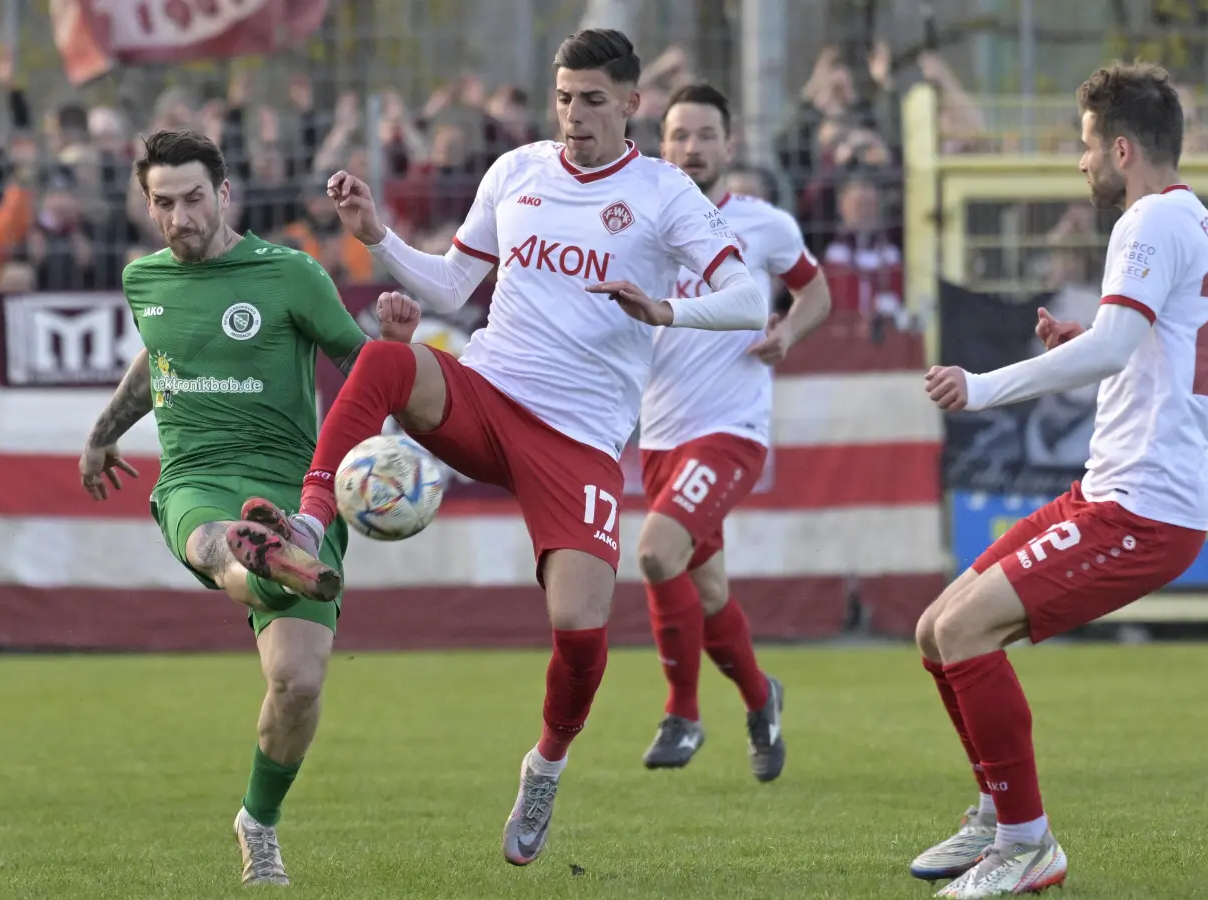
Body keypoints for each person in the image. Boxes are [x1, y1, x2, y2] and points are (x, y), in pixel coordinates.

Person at [240, 29, 766, 866]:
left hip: (580, 440)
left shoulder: (665, 194)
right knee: (382, 361)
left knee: (581, 627)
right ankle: (309, 523)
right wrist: (377, 235)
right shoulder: (517, 170)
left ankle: (546, 765)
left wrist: (668, 312)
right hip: (488, 393)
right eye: (563, 97)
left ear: (632, 104)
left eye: (593, 99)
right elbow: (454, 284)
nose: (574, 115)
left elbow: (749, 298)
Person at [914, 62, 1208, 898]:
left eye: (1086, 145)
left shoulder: (1147, 225)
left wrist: (982, 386)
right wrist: (1081, 338)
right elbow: (1140, 344)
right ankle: (996, 814)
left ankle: (1027, 846)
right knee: (934, 629)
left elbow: (1117, 349)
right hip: (1115, 493)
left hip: (1142, 506)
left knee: (964, 635)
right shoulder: (1198, 222)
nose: (1081, 163)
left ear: (1122, 148)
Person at [77, 130, 420, 887]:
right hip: (196, 479)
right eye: (163, 203)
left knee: (298, 684)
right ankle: (254, 552)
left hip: (300, 487)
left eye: (194, 199)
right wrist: (103, 434)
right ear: (146, 204)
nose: (181, 217)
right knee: (217, 541)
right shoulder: (145, 280)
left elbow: (358, 369)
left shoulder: (290, 275)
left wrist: (393, 349)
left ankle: (256, 821)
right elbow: (159, 358)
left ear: (225, 194)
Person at [635, 82, 832, 779]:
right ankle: (761, 697)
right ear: (662, 146)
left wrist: (790, 334)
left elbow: (817, 291)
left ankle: (682, 714)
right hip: (658, 434)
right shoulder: (637, 223)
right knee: (708, 591)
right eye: (679, 135)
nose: (692, 148)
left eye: (705, 135)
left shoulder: (763, 225)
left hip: (731, 427)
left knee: (657, 552)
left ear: (730, 144)